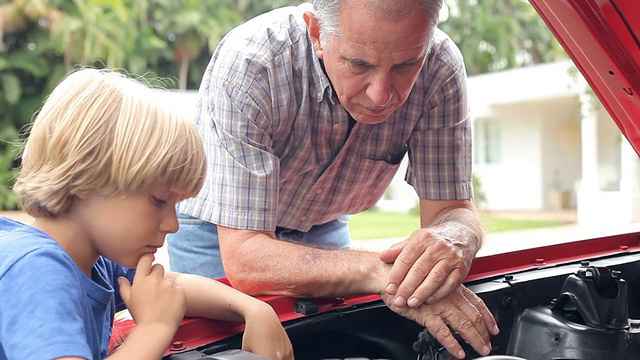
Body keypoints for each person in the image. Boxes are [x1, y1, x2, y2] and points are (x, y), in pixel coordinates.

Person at [168, 0, 499, 358]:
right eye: (359, 64)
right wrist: (388, 273)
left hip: (323, 224)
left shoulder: (440, 66)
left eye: (406, 65)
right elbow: (246, 257)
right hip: (217, 229)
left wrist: (457, 235)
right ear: (317, 33)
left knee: (329, 345)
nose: (381, 94)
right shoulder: (252, 63)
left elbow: (450, 211)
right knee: (227, 352)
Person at [0, 68, 293, 360]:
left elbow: (170, 287)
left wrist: (254, 309)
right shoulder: (35, 268)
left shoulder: (96, 263)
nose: (173, 225)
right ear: (87, 177)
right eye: (158, 200)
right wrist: (155, 327)